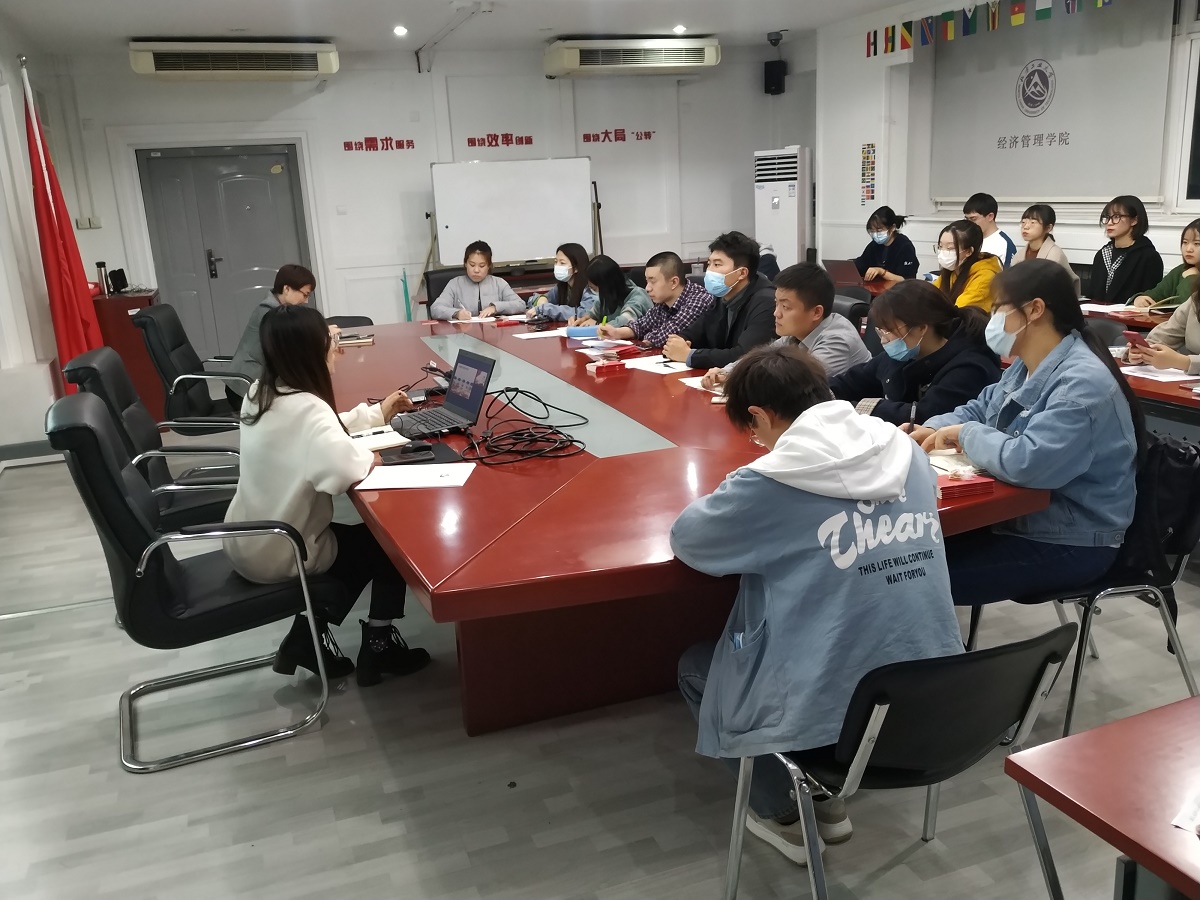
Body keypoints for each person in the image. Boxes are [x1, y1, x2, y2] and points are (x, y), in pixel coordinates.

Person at [673, 344, 964, 864]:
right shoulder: (906, 451)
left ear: (759, 416)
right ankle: (827, 798)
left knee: (698, 668)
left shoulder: (769, 481)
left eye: (753, 432)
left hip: (838, 716)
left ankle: (787, 813)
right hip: (938, 694)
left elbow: (690, 540)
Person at [911, 260, 1142, 606]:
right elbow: (980, 408)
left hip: (1072, 538)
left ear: (1034, 310)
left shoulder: (1081, 385)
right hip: (1023, 518)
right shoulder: (1026, 364)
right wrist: (934, 427)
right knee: (903, 554)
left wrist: (967, 434)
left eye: (998, 310)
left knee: (914, 578)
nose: (992, 321)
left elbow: (1028, 462)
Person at [223, 304, 431, 686]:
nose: (335, 349)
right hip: (280, 550)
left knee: (352, 546)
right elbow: (343, 470)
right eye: (330, 342)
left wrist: (376, 413)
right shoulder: (308, 409)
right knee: (386, 546)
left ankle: (306, 639)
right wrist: (372, 457)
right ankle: (379, 646)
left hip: (246, 538)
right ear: (310, 351)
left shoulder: (260, 392)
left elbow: (321, 431)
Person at [828, 280, 1000, 427]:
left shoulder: (970, 368)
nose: (884, 340)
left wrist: (856, 408)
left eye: (889, 331)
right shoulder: (906, 351)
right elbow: (854, 381)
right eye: (881, 332)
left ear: (921, 328)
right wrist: (822, 393)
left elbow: (923, 417)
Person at [699, 262, 871, 389]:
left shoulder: (837, 340)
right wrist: (726, 372)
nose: (776, 313)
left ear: (816, 312)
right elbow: (759, 357)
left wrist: (740, 380)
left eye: (786, 307)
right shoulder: (797, 333)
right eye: (777, 304)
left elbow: (794, 383)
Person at [662, 231, 777, 367]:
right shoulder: (722, 295)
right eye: (709, 264)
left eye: (717, 265)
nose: (709, 271)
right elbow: (695, 332)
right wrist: (678, 342)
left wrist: (689, 355)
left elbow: (745, 356)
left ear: (742, 273)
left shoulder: (766, 302)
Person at [227, 264, 317, 404]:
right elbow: (291, 343)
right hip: (245, 388)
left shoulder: (279, 310)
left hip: (260, 382)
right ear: (287, 289)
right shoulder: (268, 312)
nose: (306, 301)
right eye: (305, 295)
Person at [595, 251, 713, 347]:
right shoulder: (663, 302)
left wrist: (647, 338)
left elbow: (666, 336)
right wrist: (616, 332)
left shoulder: (698, 300)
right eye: (647, 281)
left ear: (674, 282)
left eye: (653, 281)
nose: (647, 288)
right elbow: (642, 325)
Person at [1089, 195, 1164, 304]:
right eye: (1107, 217)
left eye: (1116, 217)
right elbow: (1092, 295)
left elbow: (1149, 299)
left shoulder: (1149, 257)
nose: (1109, 222)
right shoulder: (1102, 254)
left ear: (1134, 220)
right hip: (1097, 313)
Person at [429, 240, 526, 320]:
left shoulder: (499, 283)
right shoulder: (455, 284)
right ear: (465, 264)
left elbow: (520, 305)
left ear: (489, 266)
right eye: (472, 265)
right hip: (463, 334)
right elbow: (435, 308)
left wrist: (495, 307)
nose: (476, 270)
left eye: (482, 266)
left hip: (493, 333)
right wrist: (456, 313)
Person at [1127, 276, 1200, 374]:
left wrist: (1182, 362)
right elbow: (1165, 335)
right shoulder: (1195, 301)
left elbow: (1179, 361)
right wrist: (1142, 351)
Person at [1129, 218, 1200, 310]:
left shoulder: (1189, 274)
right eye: (1185, 242)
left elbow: (1188, 308)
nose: (1188, 249)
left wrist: (1191, 278)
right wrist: (1139, 298)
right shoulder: (1180, 270)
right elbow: (1156, 293)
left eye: (1197, 244)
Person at [935, 220, 1002, 312]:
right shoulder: (953, 270)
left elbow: (958, 312)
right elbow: (930, 295)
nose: (943, 252)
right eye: (940, 246)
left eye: (950, 248)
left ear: (969, 251)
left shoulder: (984, 277)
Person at [1014, 204, 1080, 297]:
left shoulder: (1054, 254)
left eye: (1033, 222)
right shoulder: (1019, 255)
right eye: (1023, 222)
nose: (1025, 227)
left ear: (1048, 228)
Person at [569, 255, 651, 327]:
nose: (590, 287)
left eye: (594, 289)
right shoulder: (609, 296)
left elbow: (624, 322)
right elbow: (593, 313)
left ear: (606, 284)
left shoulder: (638, 296)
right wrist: (581, 320)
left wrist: (597, 324)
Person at [526, 243, 596, 321]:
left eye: (562, 263)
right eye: (556, 262)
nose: (557, 266)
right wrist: (541, 299)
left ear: (576, 268)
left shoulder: (590, 288)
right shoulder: (563, 286)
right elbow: (533, 299)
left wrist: (548, 309)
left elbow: (583, 313)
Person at [853, 206, 919, 284]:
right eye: (872, 231)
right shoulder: (874, 245)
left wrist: (881, 272)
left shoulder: (905, 246)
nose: (875, 234)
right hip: (877, 288)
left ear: (893, 228)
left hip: (898, 290)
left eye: (879, 230)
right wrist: (849, 266)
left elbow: (906, 280)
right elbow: (861, 264)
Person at [963, 192, 1016, 268]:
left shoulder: (1003, 244)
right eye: (966, 219)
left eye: (973, 219)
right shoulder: (966, 238)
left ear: (990, 216)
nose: (969, 223)